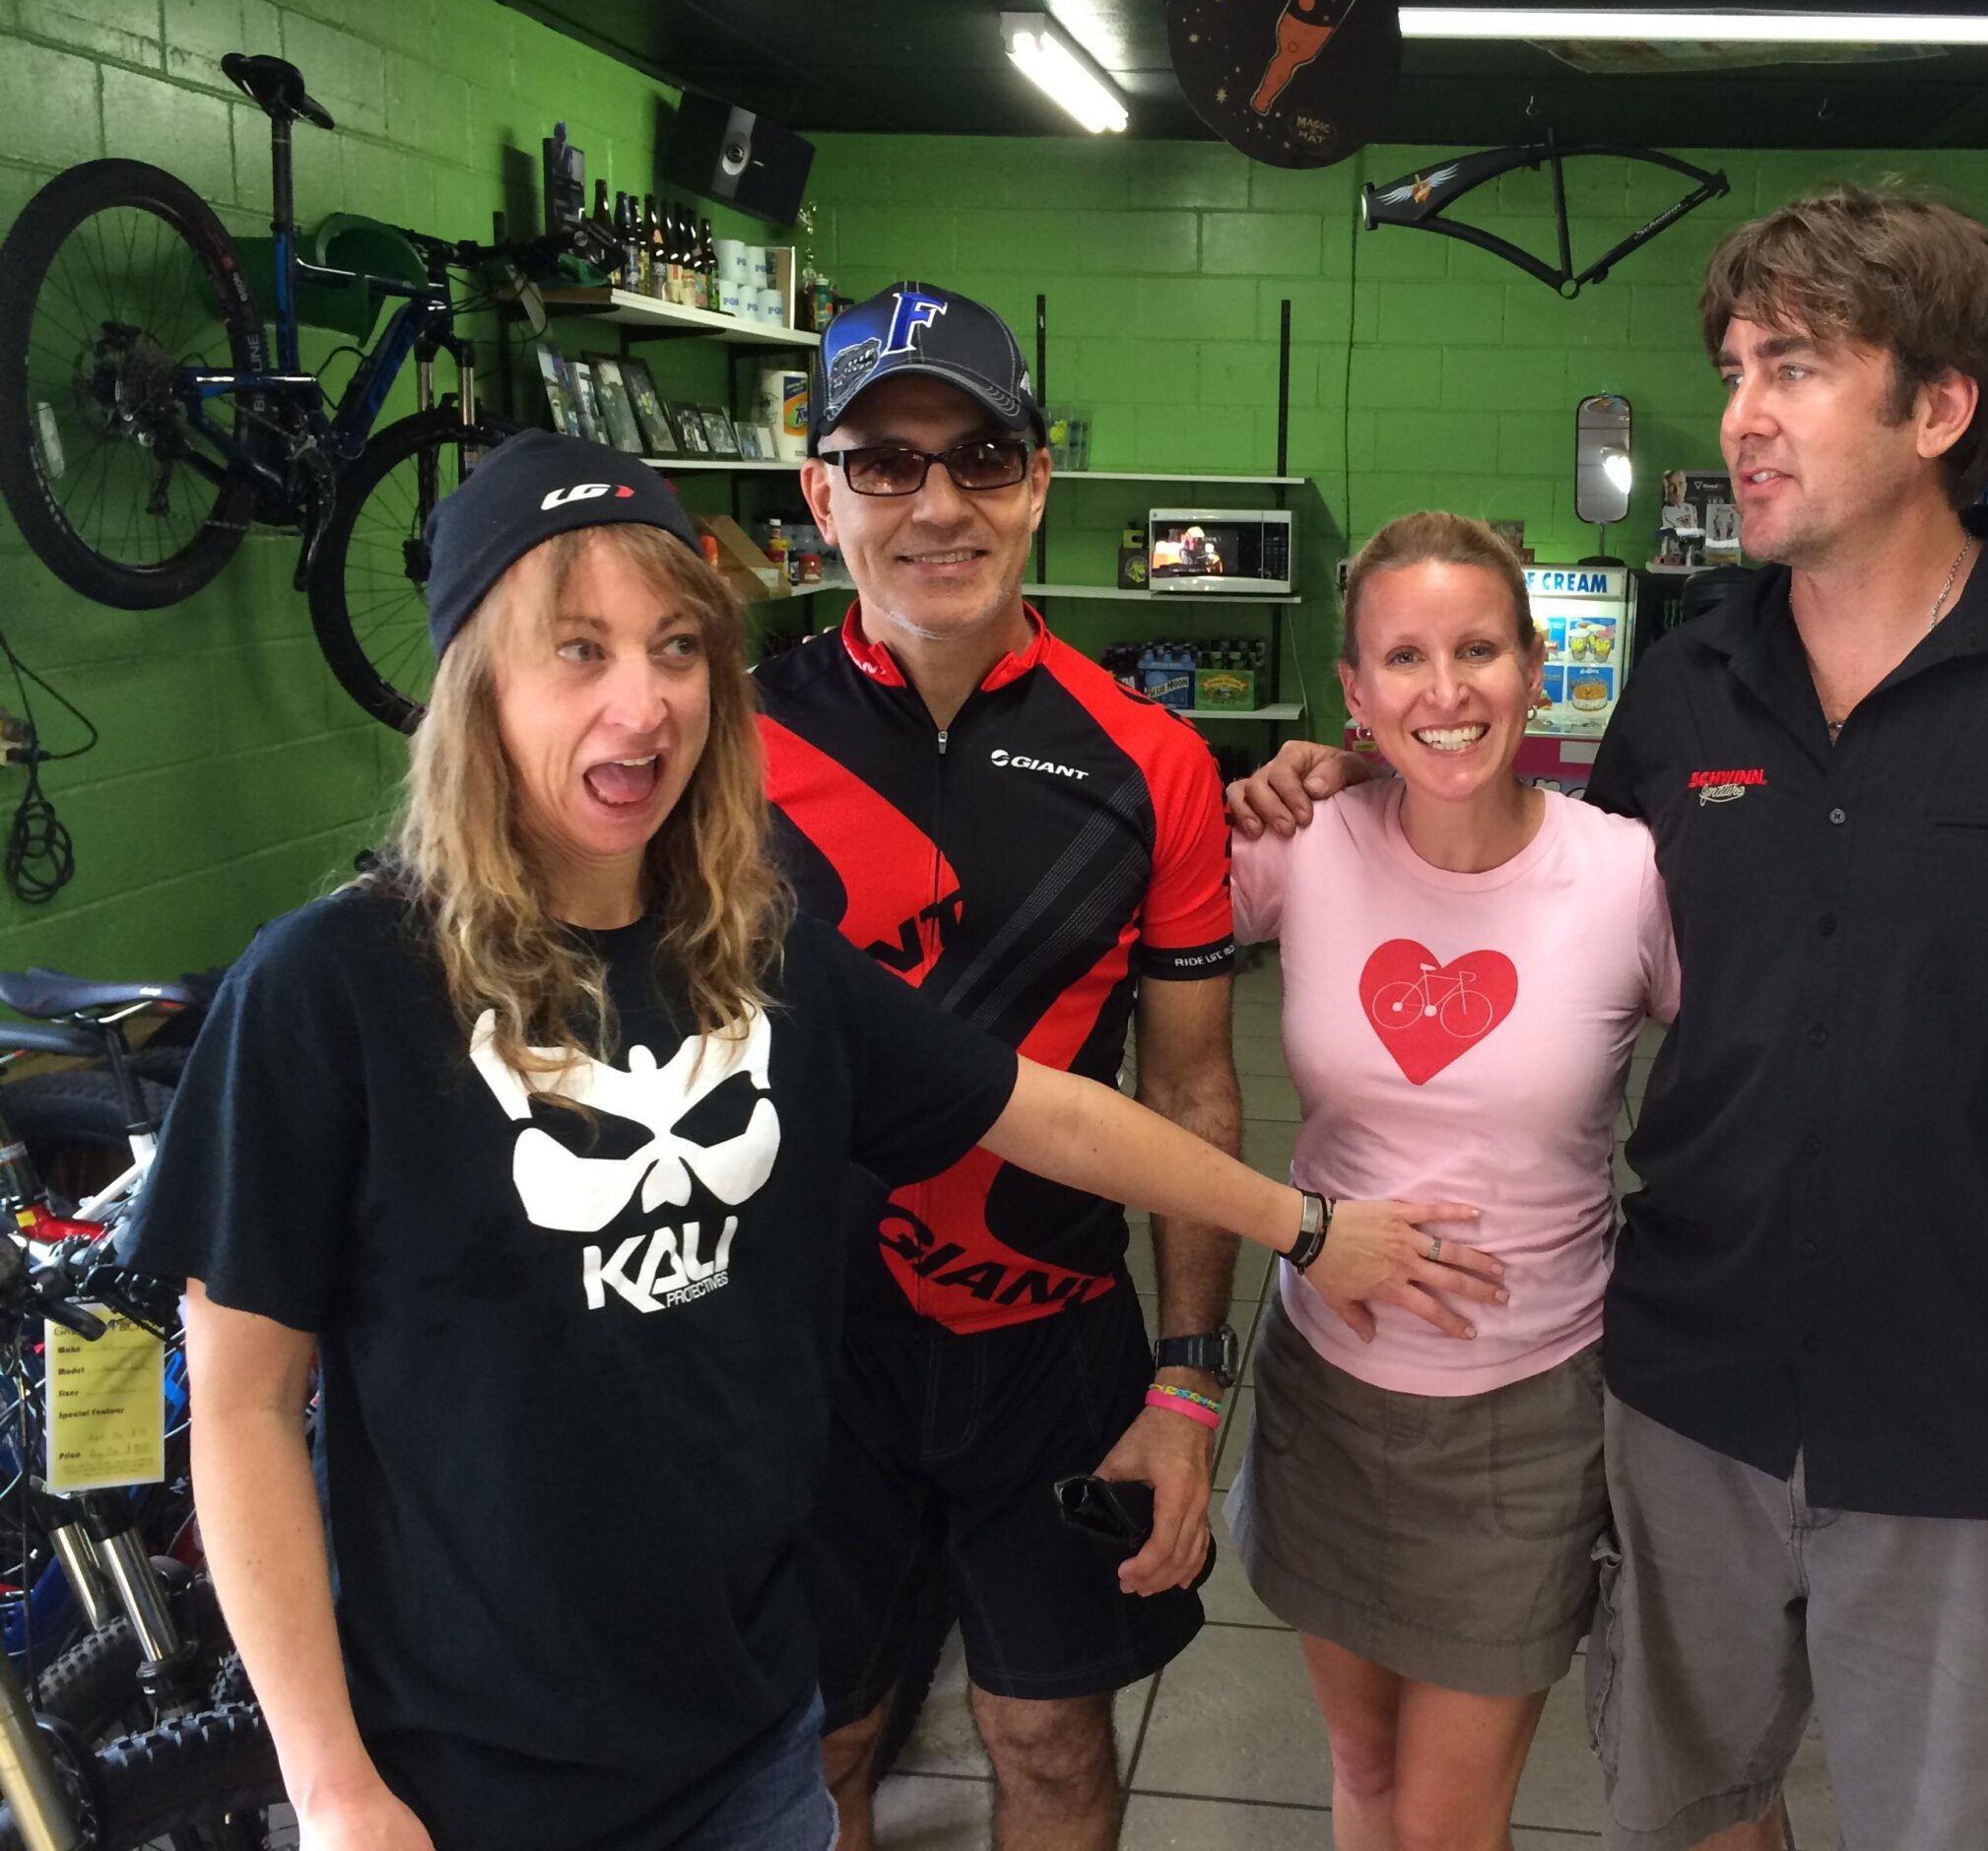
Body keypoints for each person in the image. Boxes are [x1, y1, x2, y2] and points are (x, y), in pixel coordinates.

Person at [130, 431, 1502, 1851]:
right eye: (579, 650)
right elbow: (240, 1408)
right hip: (462, 1773)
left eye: (675, 647)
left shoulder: (758, 956)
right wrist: (333, 1785)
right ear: (474, 682)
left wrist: (1312, 1235)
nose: (644, 701)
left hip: (745, 1744)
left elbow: (1049, 1112)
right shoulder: (330, 990)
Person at [1229, 186, 1988, 1850]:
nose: (1740, 415)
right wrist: (1370, 762)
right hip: (1686, 1396)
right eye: (1733, 366)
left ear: (1938, 409)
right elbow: (1550, 897)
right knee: (1686, 1810)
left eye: (1793, 367)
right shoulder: (1687, 686)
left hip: (1977, 1420)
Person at [760, 280, 1391, 1851]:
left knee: (1046, 1743)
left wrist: (1189, 1383)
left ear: (1037, 479)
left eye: (980, 456)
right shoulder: (727, 742)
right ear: (818, 491)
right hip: (790, 1350)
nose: (939, 505)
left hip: (1047, 1348)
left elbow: (1189, 1091)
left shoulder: (1150, 761)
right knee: (815, 1749)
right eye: (886, 464)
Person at [1226, 509, 1678, 1851]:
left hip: (1527, 1416)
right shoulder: (1303, 847)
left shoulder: (1623, 873)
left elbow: (1779, 1060)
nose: (1446, 691)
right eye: (1403, 659)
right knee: (1363, 1769)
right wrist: (1242, 783)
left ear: (1536, 668)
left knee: (1446, 1817)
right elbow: (1112, 893)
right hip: (1327, 1400)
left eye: (1479, 649)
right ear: (1354, 692)